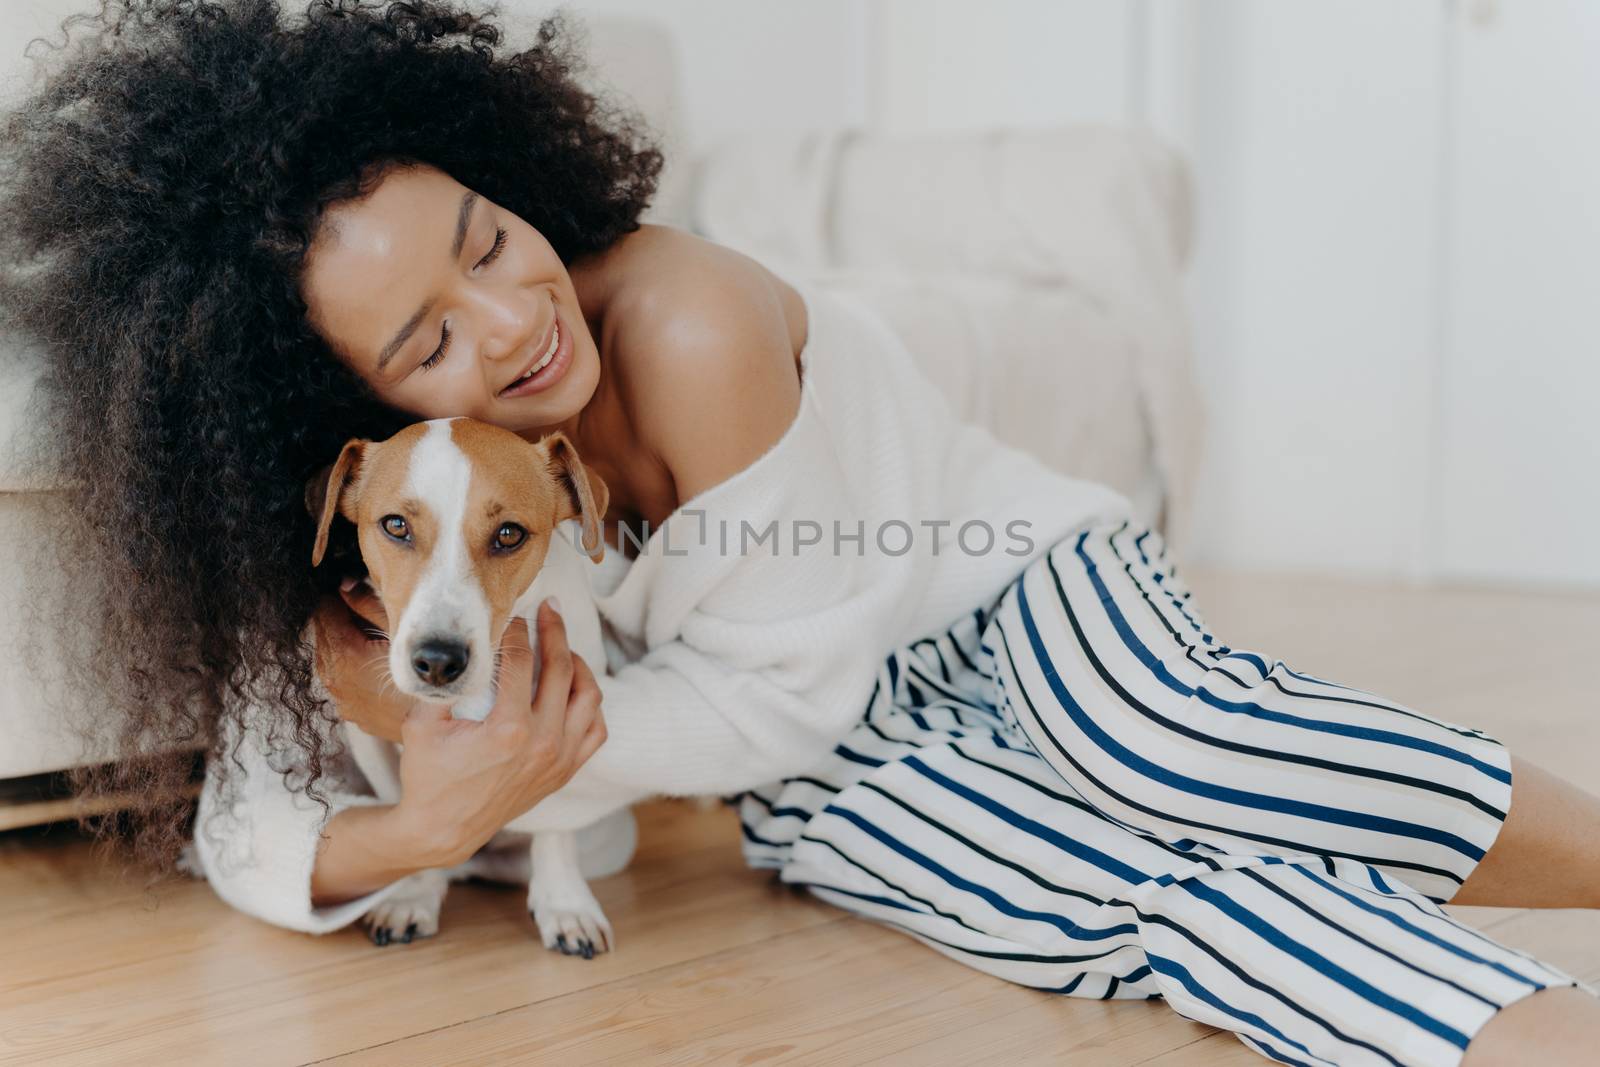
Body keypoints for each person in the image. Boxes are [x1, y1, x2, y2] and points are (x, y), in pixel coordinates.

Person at [2, 3, 1597, 1064]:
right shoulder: (376, 529)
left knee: (1167, 747)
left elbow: (787, 686)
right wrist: (424, 825)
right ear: (332, 409)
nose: (509, 321)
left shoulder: (683, 324)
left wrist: (505, 748)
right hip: (807, 759)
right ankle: (1514, 1028)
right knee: (1102, 897)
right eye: (423, 344)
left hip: (978, 589)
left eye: (489, 241)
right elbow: (247, 823)